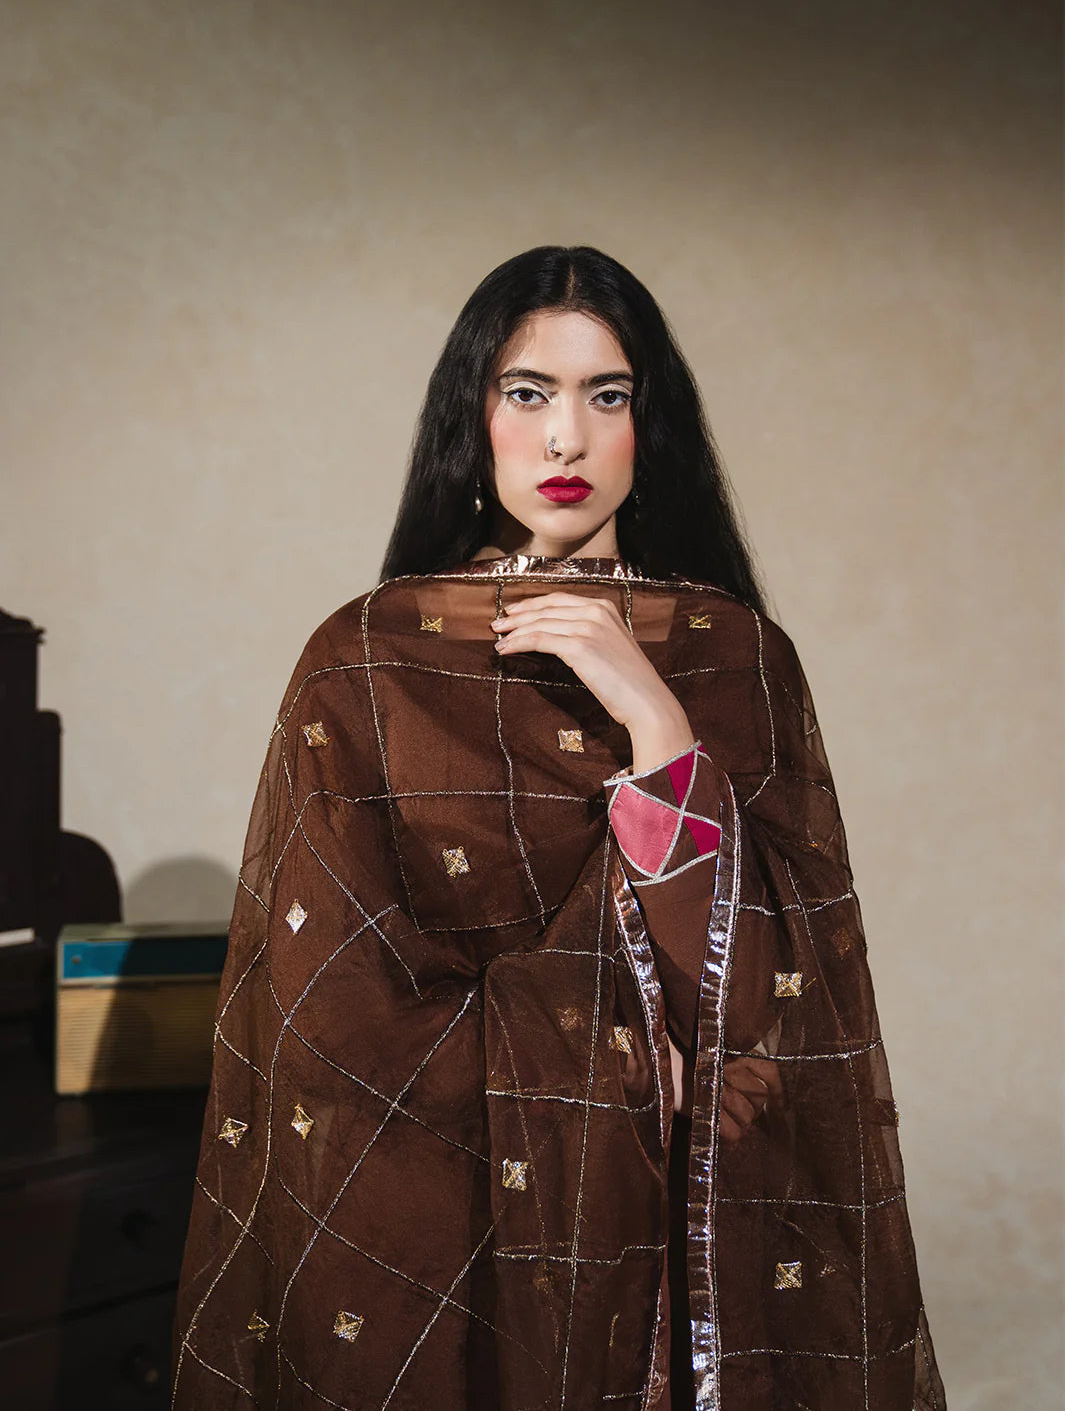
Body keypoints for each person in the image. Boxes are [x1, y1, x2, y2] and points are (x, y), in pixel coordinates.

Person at [172, 246, 946, 1409]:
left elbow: (771, 1000)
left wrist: (655, 718)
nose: (566, 439)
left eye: (608, 396)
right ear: (473, 419)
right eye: (528, 392)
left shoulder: (735, 656)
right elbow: (330, 1019)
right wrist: (616, 1061)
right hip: (446, 1246)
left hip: (680, 1243)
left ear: (652, 428)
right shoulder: (368, 660)